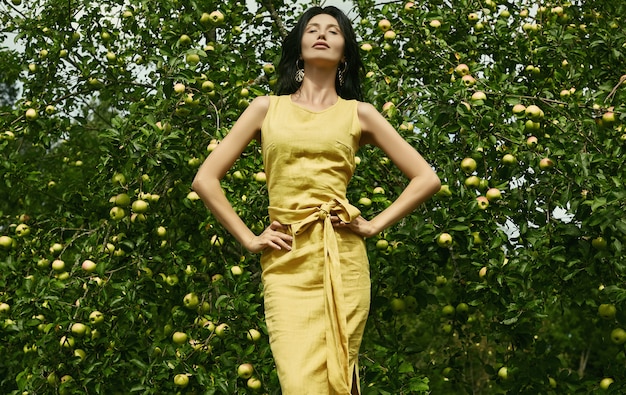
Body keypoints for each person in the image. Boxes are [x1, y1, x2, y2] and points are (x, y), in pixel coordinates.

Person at [192, 6, 441, 395]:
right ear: (300, 44)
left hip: (342, 258)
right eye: (312, 29)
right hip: (286, 258)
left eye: (333, 31)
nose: (322, 35)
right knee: (298, 382)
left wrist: (373, 225)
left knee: (338, 373)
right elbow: (205, 179)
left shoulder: (359, 113)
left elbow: (426, 177)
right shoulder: (265, 108)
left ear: (344, 52)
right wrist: (248, 238)